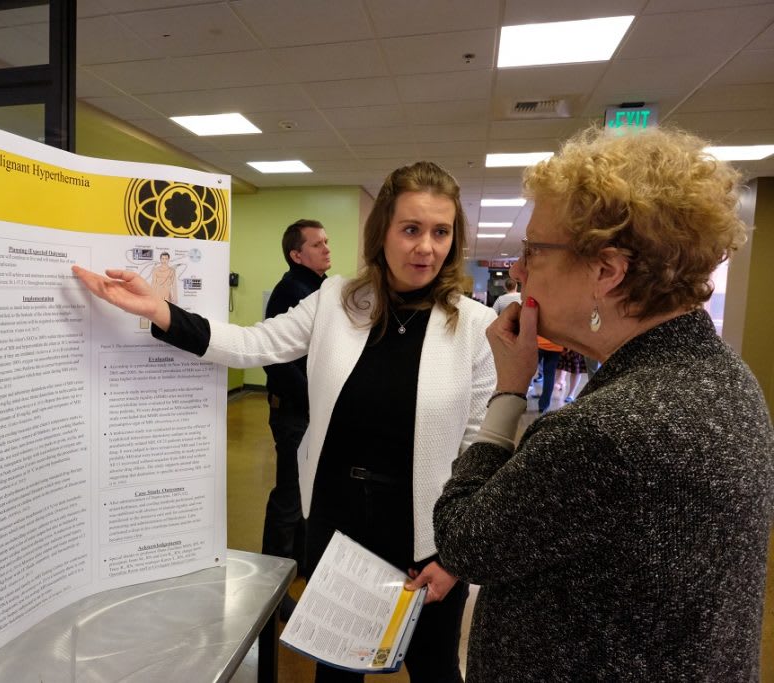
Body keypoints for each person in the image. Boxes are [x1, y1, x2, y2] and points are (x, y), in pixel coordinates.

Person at [73, 161, 496, 683]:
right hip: (338, 522)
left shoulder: (475, 327)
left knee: (434, 670)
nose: (426, 247)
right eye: (411, 229)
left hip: (423, 536)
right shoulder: (337, 302)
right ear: (382, 232)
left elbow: (480, 453)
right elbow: (254, 343)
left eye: (440, 232)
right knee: (336, 670)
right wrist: (163, 311)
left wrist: (455, 555)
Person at [429, 126, 774, 681]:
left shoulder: (606, 432)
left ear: (607, 272)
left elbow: (465, 541)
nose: (519, 271)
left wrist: (508, 392)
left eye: (534, 250)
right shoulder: (723, 375)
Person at [260, 218, 331, 620]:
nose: (326, 248)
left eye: (326, 242)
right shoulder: (292, 292)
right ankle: (273, 585)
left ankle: (300, 563)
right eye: (317, 244)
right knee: (289, 496)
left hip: (312, 410)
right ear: (296, 254)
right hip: (294, 411)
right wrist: (315, 395)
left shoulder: (320, 289)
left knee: (309, 491)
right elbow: (277, 360)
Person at [534, 334, 562, 412]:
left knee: (527, 373)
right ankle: (543, 405)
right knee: (550, 375)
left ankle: (521, 400)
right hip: (556, 346)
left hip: (538, 343)